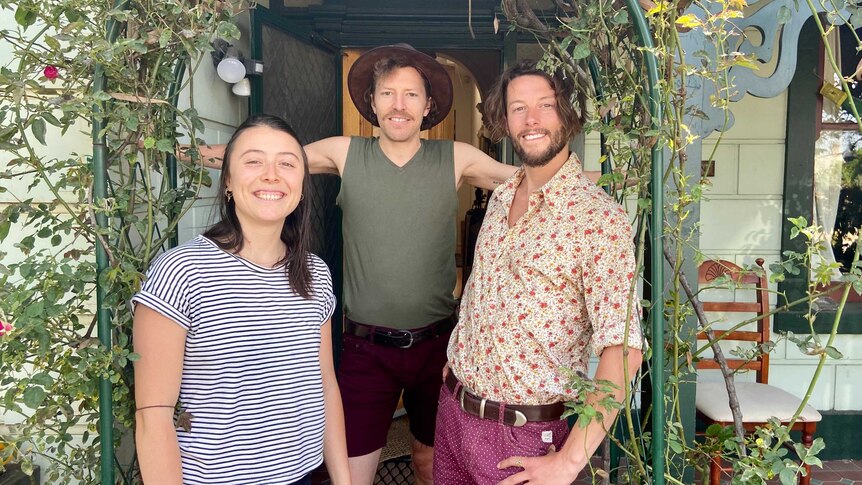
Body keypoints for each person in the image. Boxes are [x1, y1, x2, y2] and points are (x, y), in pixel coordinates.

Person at [190, 44, 607, 484]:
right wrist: (199, 153)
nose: (399, 105)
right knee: (351, 470)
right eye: (388, 94)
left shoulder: (455, 156)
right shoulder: (345, 151)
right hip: (365, 348)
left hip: (436, 347)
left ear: (428, 106)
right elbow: (276, 159)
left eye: (411, 95)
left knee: (430, 463)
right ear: (372, 103)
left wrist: (606, 181)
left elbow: (527, 179)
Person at [434, 60, 645, 485]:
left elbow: (623, 352)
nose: (531, 120)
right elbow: (484, 288)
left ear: (568, 113)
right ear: (504, 120)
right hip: (454, 414)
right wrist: (457, 357)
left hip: (526, 436)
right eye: (518, 108)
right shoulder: (501, 196)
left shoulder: (598, 219)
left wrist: (568, 463)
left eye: (545, 105)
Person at [132, 114, 350, 485]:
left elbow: (325, 383)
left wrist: (344, 480)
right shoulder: (183, 270)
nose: (271, 174)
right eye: (253, 161)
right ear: (228, 181)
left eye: (287, 162)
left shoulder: (314, 272)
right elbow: (153, 414)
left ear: (301, 185)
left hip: (300, 477)